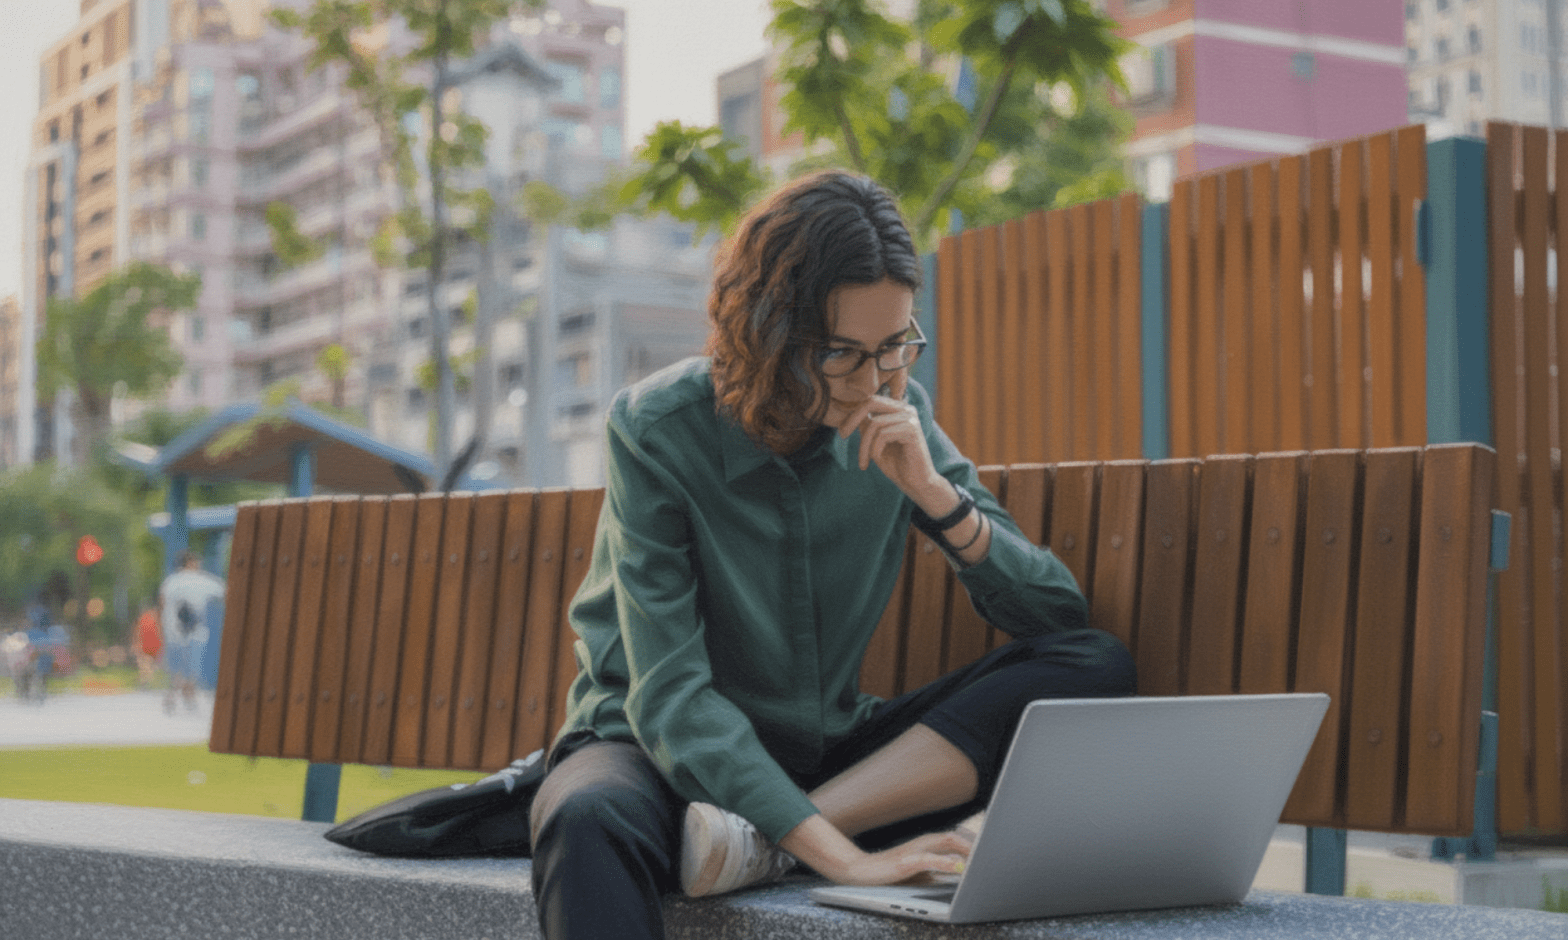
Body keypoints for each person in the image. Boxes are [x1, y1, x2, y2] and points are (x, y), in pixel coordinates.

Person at [525, 170, 1136, 940]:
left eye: (894, 346)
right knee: (585, 818)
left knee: (1092, 667)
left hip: (825, 760)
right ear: (769, 333)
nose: (875, 378)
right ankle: (782, 835)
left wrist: (939, 500)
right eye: (843, 352)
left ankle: (755, 844)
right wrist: (841, 859)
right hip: (653, 755)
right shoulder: (657, 429)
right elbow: (671, 699)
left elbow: (1057, 618)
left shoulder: (897, 413)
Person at [158, 549, 224, 714]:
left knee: (178, 666)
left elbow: (162, 603)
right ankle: (186, 694)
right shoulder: (202, 580)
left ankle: (176, 695)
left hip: (173, 631)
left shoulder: (171, 582)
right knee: (192, 665)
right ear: (191, 563)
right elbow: (224, 591)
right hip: (196, 630)